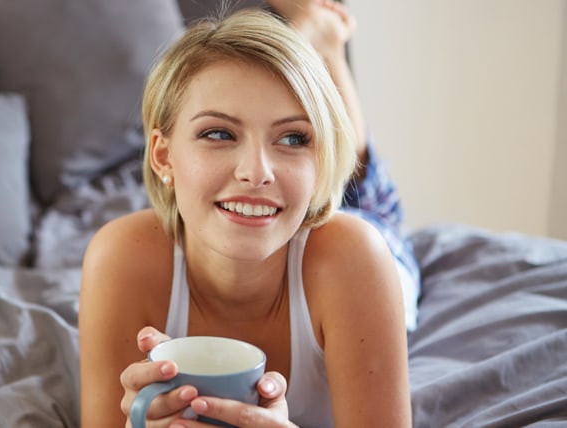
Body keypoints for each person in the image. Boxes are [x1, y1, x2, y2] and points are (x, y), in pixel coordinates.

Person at [79, 0, 419, 426]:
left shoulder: (358, 258)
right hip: (286, 210)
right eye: (219, 133)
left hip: (348, 229)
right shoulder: (119, 257)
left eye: (294, 138)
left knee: (367, 197)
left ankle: (326, 44)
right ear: (163, 157)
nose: (256, 172)